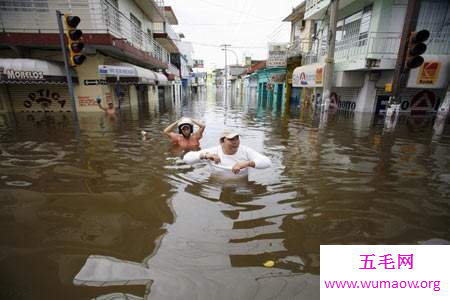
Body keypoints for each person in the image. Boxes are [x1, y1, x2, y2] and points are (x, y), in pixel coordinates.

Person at [183, 128, 271, 175]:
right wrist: (205, 156)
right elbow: (186, 158)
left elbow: (267, 162)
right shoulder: (213, 152)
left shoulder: (245, 151)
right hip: (216, 186)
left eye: (237, 138)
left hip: (241, 187)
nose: (235, 141)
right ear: (222, 141)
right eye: (231, 139)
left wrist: (246, 164)